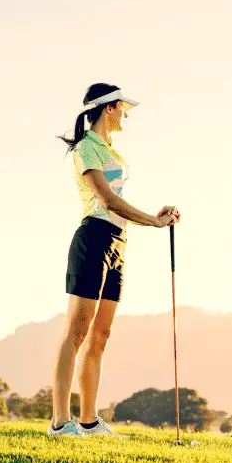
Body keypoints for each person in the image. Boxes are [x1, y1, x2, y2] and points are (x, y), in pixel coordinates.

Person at [49, 83, 180, 437]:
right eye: (123, 108)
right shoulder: (87, 148)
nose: (126, 115)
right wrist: (153, 221)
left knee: (101, 335)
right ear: (109, 107)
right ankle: (61, 422)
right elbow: (106, 201)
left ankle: (89, 421)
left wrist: (155, 215)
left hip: (116, 243)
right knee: (76, 332)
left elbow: (119, 206)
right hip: (92, 238)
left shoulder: (110, 150)